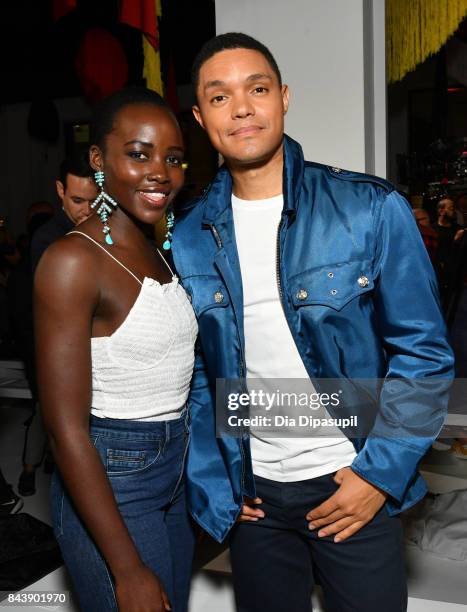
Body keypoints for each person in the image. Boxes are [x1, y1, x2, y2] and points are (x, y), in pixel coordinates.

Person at [171, 33, 455, 612]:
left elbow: (423, 354)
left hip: (351, 483)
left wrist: (378, 476)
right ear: (201, 118)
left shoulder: (369, 208)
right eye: (220, 97)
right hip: (254, 501)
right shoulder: (189, 236)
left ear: (283, 97)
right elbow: (199, 378)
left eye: (257, 89)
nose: (243, 107)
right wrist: (216, 484)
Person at [34, 87, 197, 612]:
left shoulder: (155, 249)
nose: (160, 173)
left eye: (173, 158)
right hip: (113, 480)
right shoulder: (72, 260)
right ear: (99, 160)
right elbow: (64, 430)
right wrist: (126, 570)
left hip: (174, 472)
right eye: (139, 153)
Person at [18, 156, 97, 498]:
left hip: (92, 347)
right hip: (52, 347)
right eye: (78, 200)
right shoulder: (48, 238)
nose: (86, 209)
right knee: (46, 412)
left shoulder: (101, 229)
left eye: (94, 201)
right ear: (60, 191)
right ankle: (28, 469)